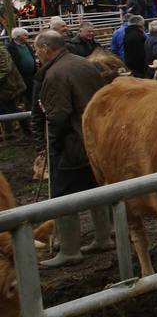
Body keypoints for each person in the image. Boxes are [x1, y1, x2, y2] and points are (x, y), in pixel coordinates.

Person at [31, 30, 113, 267]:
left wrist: (52, 145)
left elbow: (58, 116)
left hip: (72, 142)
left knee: (63, 195)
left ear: (47, 49)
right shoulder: (83, 63)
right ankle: (103, 236)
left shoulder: (56, 74)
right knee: (94, 186)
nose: (37, 54)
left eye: (37, 50)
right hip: (92, 136)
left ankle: (69, 249)